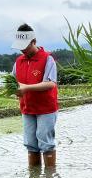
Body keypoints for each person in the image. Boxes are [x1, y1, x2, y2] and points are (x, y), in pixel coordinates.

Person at [11, 24, 59, 168]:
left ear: (34, 41)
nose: (22, 49)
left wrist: (26, 88)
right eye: (20, 46)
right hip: (27, 107)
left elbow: (51, 84)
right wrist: (15, 90)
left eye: (25, 45)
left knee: (46, 142)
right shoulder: (18, 61)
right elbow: (13, 81)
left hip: (46, 108)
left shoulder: (47, 59)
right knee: (30, 143)